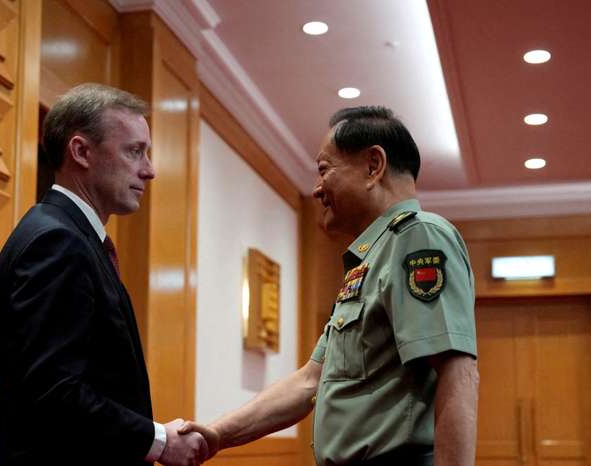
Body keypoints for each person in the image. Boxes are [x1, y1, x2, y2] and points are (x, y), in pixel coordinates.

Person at [182, 106, 479, 466]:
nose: (317, 189)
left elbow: (456, 371)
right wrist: (218, 434)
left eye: (324, 170)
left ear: (373, 166)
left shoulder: (419, 236)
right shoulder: (369, 260)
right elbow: (310, 380)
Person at [0, 83, 208, 466]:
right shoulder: (57, 241)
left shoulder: (70, 236)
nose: (150, 170)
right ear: (81, 151)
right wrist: (159, 440)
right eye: (134, 151)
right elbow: (53, 391)